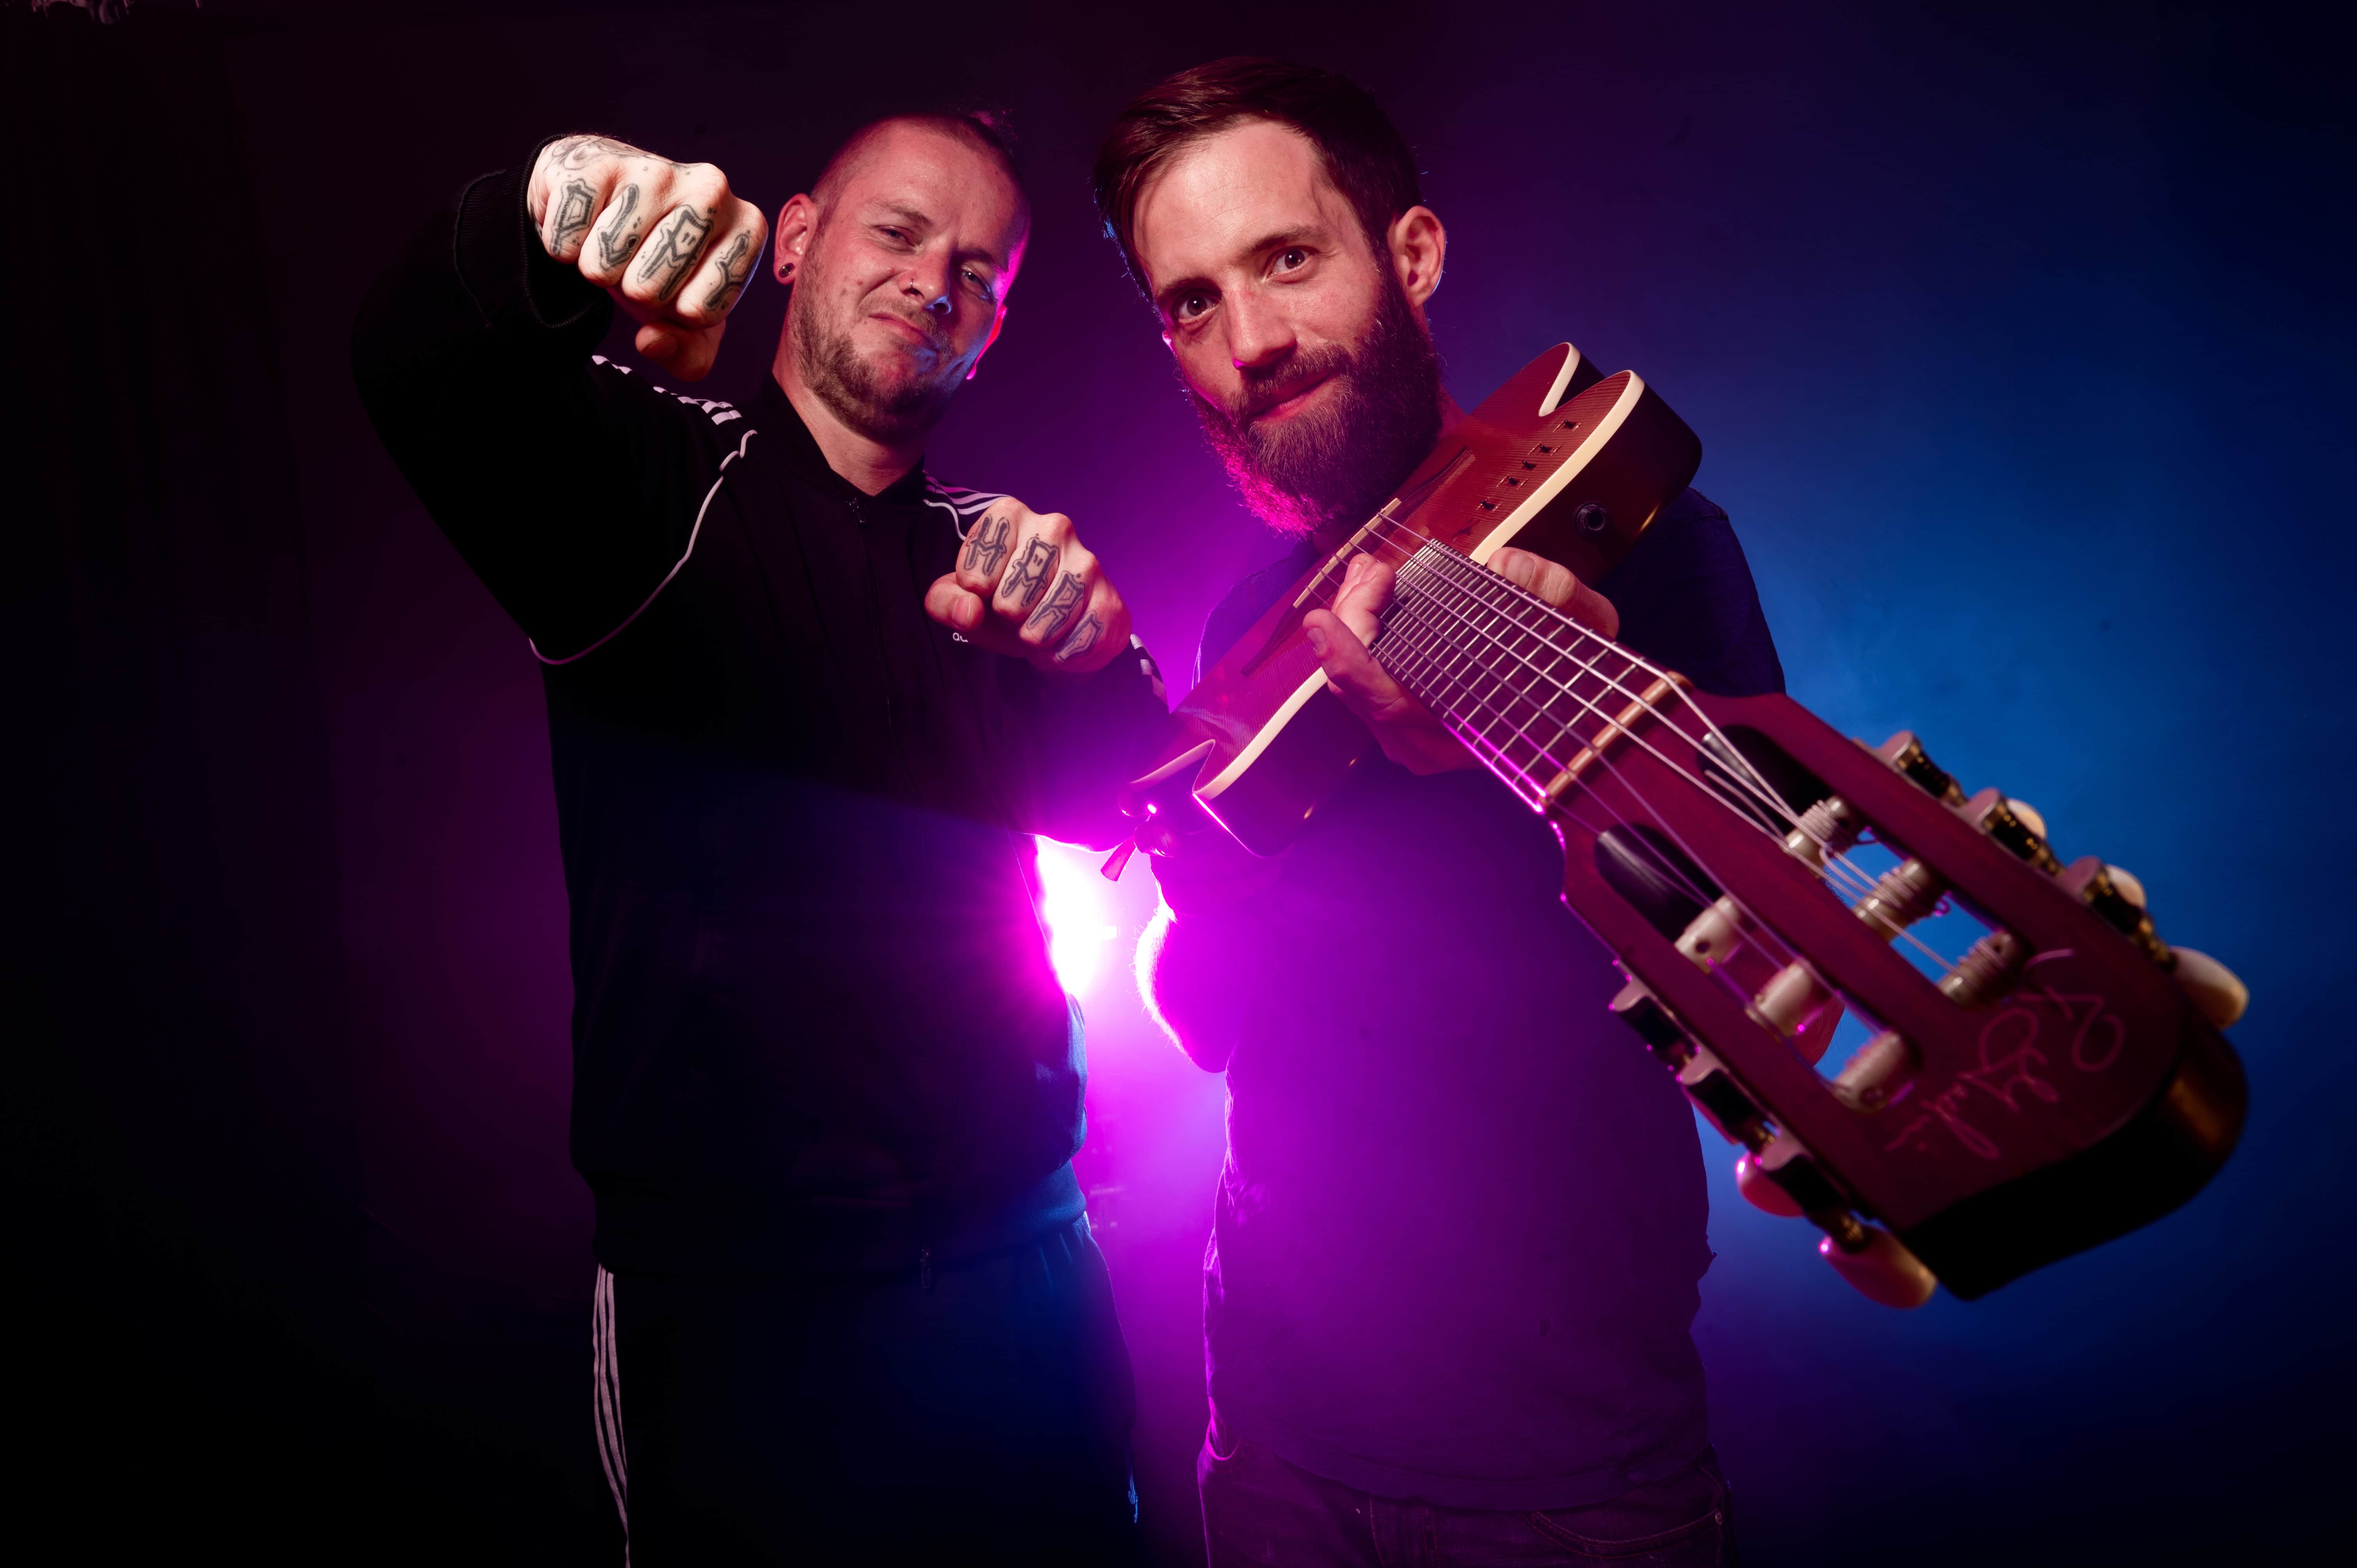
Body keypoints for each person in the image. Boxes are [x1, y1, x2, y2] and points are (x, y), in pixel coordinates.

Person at [352, 111, 1165, 1563]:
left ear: (994, 333)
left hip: (1025, 1262)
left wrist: (1096, 651)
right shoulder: (646, 483)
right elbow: (420, 361)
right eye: (898, 232)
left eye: (978, 272)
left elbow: (1133, 804)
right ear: (795, 240)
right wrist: (548, 215)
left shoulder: (996, 555)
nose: (933, 282)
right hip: (739, 1302)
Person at [1092, 59, 1785, 1566]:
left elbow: (1760, 963)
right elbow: (1214, 1026)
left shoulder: (1644, 542)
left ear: (1409, 255)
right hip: (1271, 1438)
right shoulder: (1242, 628)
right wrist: (1194, 892)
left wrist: (1530, 733)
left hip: (1571, 1473)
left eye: (1288, 259)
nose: (1251, 341)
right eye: (1194, 301)